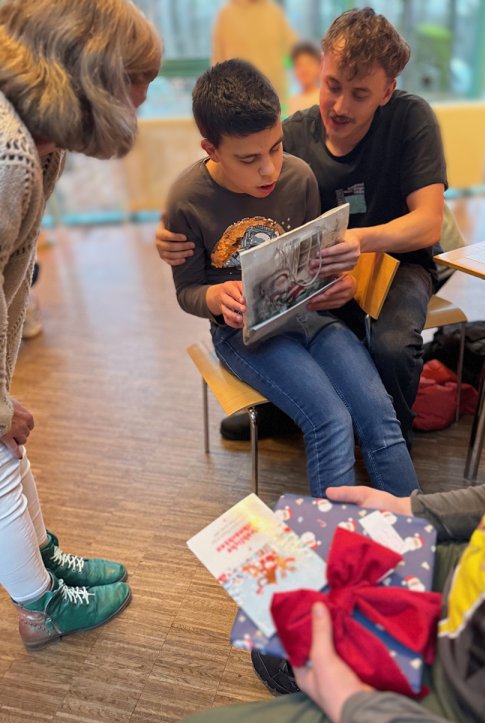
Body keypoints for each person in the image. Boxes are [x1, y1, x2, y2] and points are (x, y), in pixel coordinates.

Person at [145, 1, 485, 723]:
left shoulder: (325, 159)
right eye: (328, 89)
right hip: (273, 335)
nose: (332, 108)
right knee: (338, 419)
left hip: (467, 698)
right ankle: (360, 571)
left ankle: (353, 599)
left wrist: (356, 708)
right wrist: (419, 517)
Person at [157, 8, 446, 449]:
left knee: (389, 347)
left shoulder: (412, 118)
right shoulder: (289, 135)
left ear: (387, 91)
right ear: (320, 66)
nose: (340, 106)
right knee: (313, 331)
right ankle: (292, 408)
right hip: (324, 269)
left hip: (394, 260)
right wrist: (175, 233)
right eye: (332, 86)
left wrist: (358, 241)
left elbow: (428, 224)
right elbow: (225, 172)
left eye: (360, 94)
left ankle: (389, 440)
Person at [0, 0, 161, 649]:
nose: (142, 102)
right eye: (137, 85)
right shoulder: (9, 155)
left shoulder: (38, 136)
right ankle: (40, 606)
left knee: (11, 449)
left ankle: (43, 559)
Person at [212, 0, 297, 102]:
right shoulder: (226, 15)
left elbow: (293, 50)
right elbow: (218, 60)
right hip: (240, 96)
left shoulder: (273, 12)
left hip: (275, 95)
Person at [287, 40, 321, 116]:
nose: (304, 70)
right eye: (299, 65)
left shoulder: (323, 98)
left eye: (309, 64)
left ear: (319, 66)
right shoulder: (292, 102)